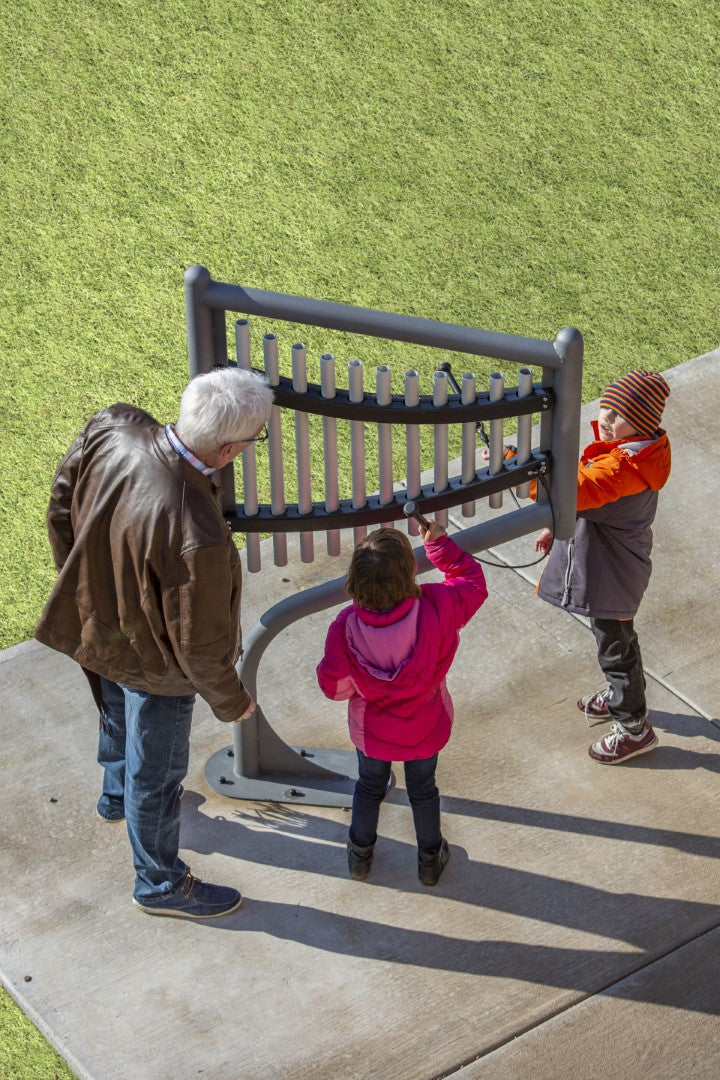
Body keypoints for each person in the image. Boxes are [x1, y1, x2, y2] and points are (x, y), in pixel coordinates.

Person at [35, 366, 274, 918]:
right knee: (159, 777)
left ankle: (113, 795)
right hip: (157, 667)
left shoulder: (114, 425)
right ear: (231, 448)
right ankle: (159, 884)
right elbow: (198, 648)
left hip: (100, 622)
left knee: (115, 716)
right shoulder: (200, 536)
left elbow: (60, 505)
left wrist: (83, 586)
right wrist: (234, 702)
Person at [316, 522, 488, 885]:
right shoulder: (438, 606)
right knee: (423, 790)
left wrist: (362, 687)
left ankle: (359, 857)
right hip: (426, 725)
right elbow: (473, 584)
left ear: (354, 579)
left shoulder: (344, 626)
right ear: (410, 573)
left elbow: (334, 687)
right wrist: (439, 546)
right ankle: (430, 859)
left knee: (369, 787)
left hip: (373, 734)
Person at [534, 369, 671, 764]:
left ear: (642, 423)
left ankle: (634, 730)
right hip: (614, 575)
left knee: (617, 653)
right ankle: (621, 698)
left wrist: (518, 467)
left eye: (617, 414)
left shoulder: (622, 469)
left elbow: (572, 492)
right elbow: (589, 502)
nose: (606, 419)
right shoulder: (638, 455)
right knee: (619, 643)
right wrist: (555, 529)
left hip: (610, 579)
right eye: (606, 408)